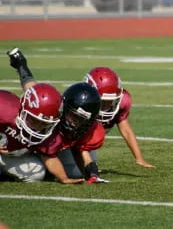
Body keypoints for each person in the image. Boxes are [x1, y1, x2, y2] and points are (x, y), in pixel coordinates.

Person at [7, 48, 106, 183]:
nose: (74, 122)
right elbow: (33, 91)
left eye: (80, 119)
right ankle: (21, 65)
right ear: (64, 108)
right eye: (73, 116)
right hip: (35, 143)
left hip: (55, 147)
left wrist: (92, 173)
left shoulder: (86, 126)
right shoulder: (51, 115)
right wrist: (22, 67)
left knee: (76, 172)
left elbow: (82, 149)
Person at [84, 66, 155, 169]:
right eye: (103, 102)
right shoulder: (82, 102)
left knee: (87, 168)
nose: (106, 106)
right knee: (76, 172)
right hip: (66, 142)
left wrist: (139, 158)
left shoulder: (122, 102)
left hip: (86, 143)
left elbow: (126, 131)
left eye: (110, 102)